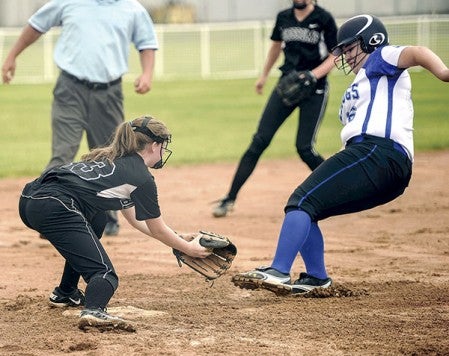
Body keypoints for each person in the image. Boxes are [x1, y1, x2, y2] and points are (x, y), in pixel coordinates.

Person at [232, 14, 449, 295]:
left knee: (300, 201)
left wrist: (444, 73)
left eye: (349, 48)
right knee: (309, 208)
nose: (345, 55)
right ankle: (315, 279)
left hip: (377, 151)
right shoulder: (360, 82)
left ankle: (279, 271)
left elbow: (417, 53)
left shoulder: (380, 57)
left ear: (371, 41)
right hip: (377, 161)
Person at [18, 116, 212, 331]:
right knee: (104, 275)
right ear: (154, 145)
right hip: (55, 205)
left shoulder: (110, 157)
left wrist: (179, 238)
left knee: (97, 218)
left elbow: (137, 220)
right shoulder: (142, 177)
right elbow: (157, 229)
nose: (163, 150)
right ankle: (94, 311)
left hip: (30, 200)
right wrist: (189, 249)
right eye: (163, 145)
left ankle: (65, 292)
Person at [2, 0, 159, 236]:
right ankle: (50, 212)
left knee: (111, 153)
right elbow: (37, 25)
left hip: (109, 92)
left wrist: (147, 73)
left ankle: (108, 218)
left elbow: (146, 43)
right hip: (70, 89)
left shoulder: (132, 9)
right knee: (62, 152)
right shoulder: (69, 2)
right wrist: (12, 55)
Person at [212, 0, 338, 218]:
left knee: (305, 148)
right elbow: (275, 47)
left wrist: (312, 75)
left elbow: (335, 55)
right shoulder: (284, 17)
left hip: (314, 89)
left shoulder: (323, 19)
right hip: (286, 85)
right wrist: (264, 75)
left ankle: (341, 188)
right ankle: (230, 198)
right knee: (259, 141)